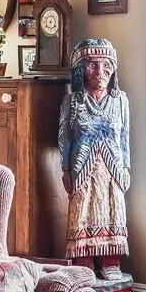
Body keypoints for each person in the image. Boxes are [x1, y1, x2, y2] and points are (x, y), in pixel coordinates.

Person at [58, 38, 130, 279]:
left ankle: (111, 259)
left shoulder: (120, 101)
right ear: (81, 69)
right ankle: (83, 258)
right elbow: (65, 137)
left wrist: (126, 167)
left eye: (106, 65)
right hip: (82, 168)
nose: (100, 72)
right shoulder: (72, 102)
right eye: (92, 65)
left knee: (112, 210)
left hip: (113, 170)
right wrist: (66, 168)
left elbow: (125, 137)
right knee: (83, 210)